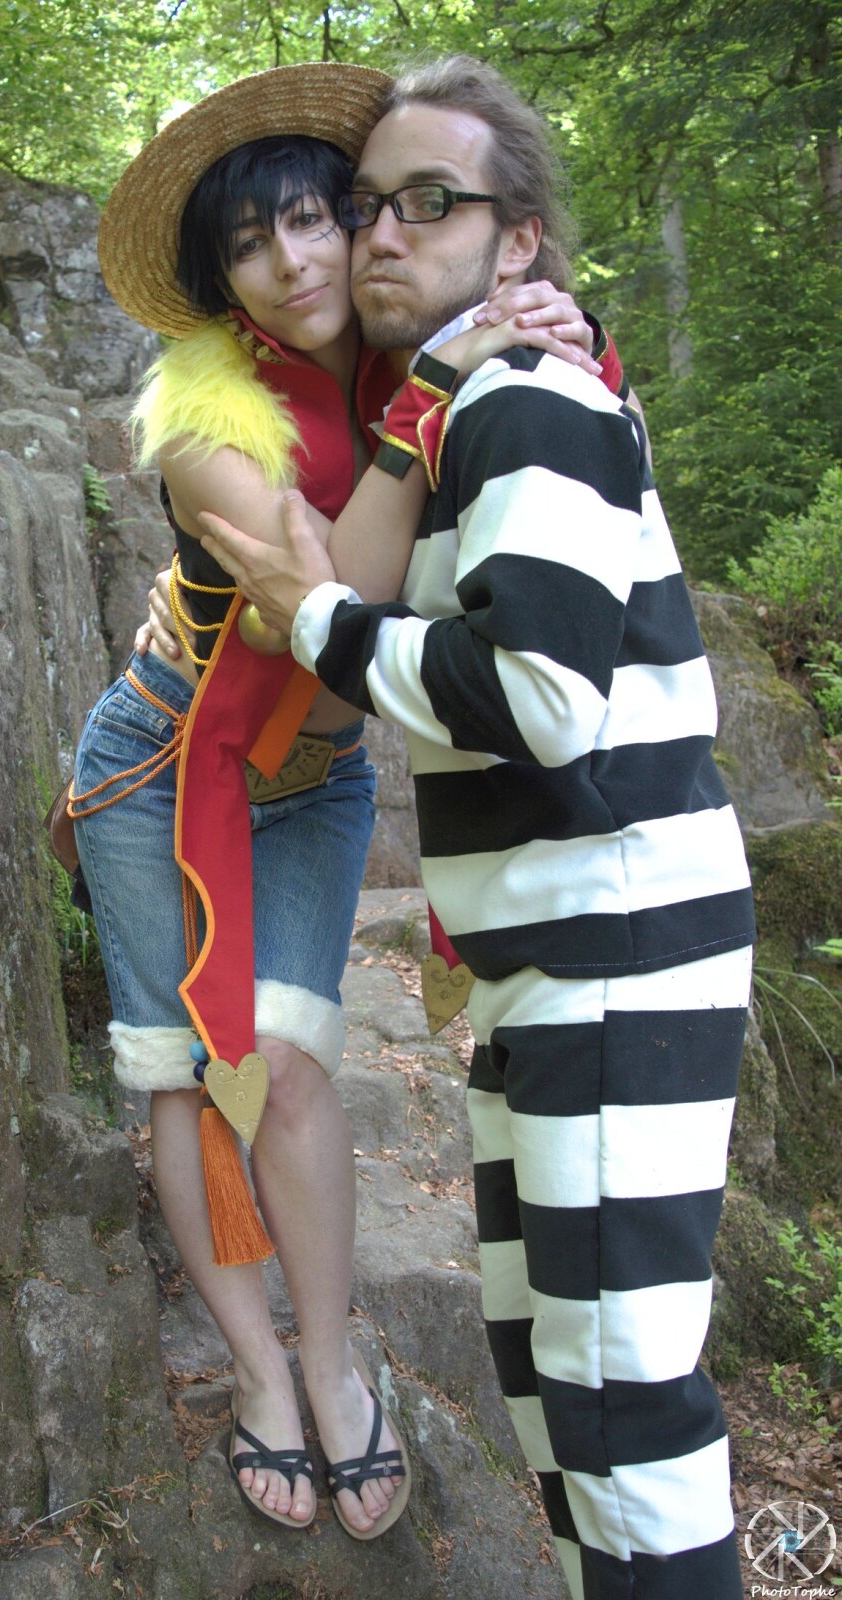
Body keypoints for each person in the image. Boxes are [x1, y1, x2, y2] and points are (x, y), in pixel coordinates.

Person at [197, 55, 755, 1599]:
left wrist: (317, 618)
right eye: (368, 201)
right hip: (558, 964)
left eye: (427, 203)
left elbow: (543, 699)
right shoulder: (467, 402)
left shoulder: (524, 398)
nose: (379, 233)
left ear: (518, 241)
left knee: (619, 1405)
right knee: (560, 1383)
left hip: (616, 955)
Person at [72, 61, 618, 1542]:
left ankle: (331, 1358)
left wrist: (553, 329)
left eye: (315, 220)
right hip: (163, 766)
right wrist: (436, 392)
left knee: (293, 1069)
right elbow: (330, 604)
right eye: (250, 245)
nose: (295, 263)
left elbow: (522, 388)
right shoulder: (204, 412)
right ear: (219, 281)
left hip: (313, 784)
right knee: (189, 1077)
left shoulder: (401, 352)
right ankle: (258, 1372)